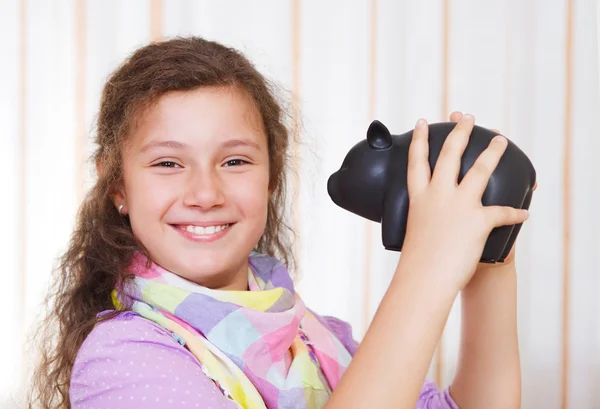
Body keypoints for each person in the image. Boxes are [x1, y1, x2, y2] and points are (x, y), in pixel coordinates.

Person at [27, 36, 532, 409]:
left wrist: (490, 255)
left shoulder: (313, 338)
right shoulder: (122, 359)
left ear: (271, 177)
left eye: (235, 162)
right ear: (117, 186)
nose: (205, 194)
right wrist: (427, 267)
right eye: (167, 163)